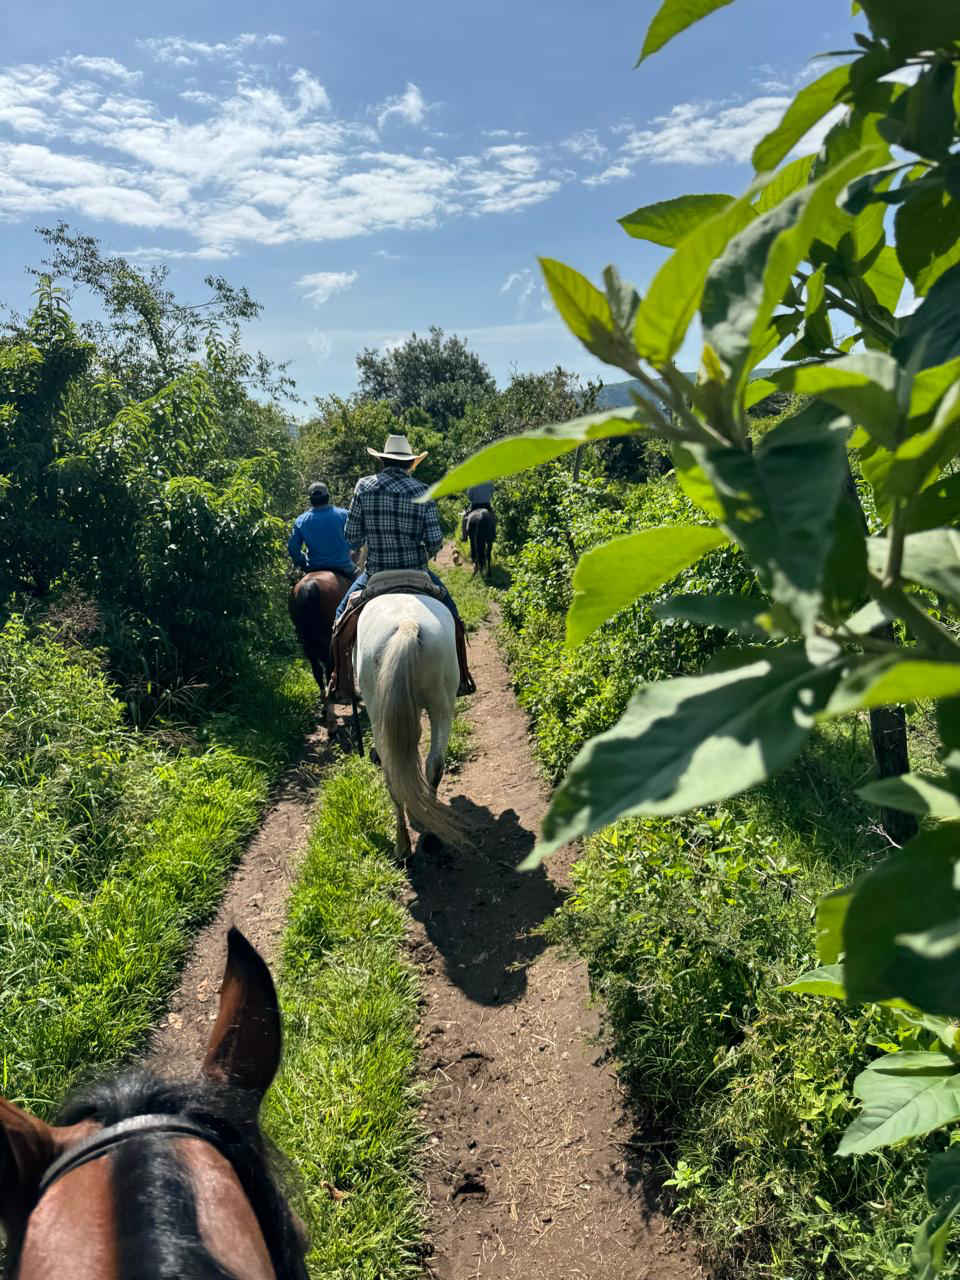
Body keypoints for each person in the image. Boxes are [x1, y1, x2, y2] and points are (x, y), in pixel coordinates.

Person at [335, 434, 459, 622]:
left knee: (340, 615)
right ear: (410, 464)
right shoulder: (423, 490)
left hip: (375, 573)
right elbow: (435, 542)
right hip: (416, 572)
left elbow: (352, 537)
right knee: (454, 616)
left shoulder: (364, 486)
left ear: (383, 461)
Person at [287, 482, 357, 578]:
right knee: (363, 581)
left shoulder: (301, 520)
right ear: (327, 496)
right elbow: (356, 540)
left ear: (311, 500)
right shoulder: (345, 515)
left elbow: (293, 548)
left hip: (314, 567)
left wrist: (302, 562)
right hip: (344, 566)